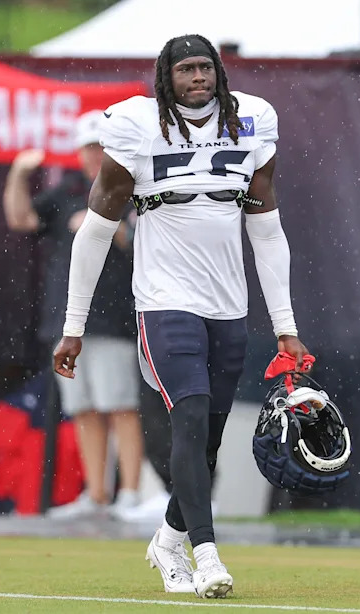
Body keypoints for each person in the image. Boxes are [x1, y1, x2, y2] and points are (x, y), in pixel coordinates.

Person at [53, 34, 310, 599]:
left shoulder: (253, 119)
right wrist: (73, 326)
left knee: (209, 440)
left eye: (205, 67)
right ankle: (207, 554)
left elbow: (266, 228)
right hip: (164, 299)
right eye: (186, 69)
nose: (198, 77)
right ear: (164, 78)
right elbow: (95, 232)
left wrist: (285, 324)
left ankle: (168, 538)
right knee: (190, 420)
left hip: (228, 301)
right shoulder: (135, 125)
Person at [4, 111, 143, 519]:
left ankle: (130, 493)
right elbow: (21, 218)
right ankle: (97, 495)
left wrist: (105, 220)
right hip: (68, 322)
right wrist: (16, 175)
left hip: (112, 318)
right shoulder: (68, 190)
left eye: (100, 148)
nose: (93, 156)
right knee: (83, 408)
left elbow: (137, 243)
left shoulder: (131, 189)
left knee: (119, 405)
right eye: (88, 148)